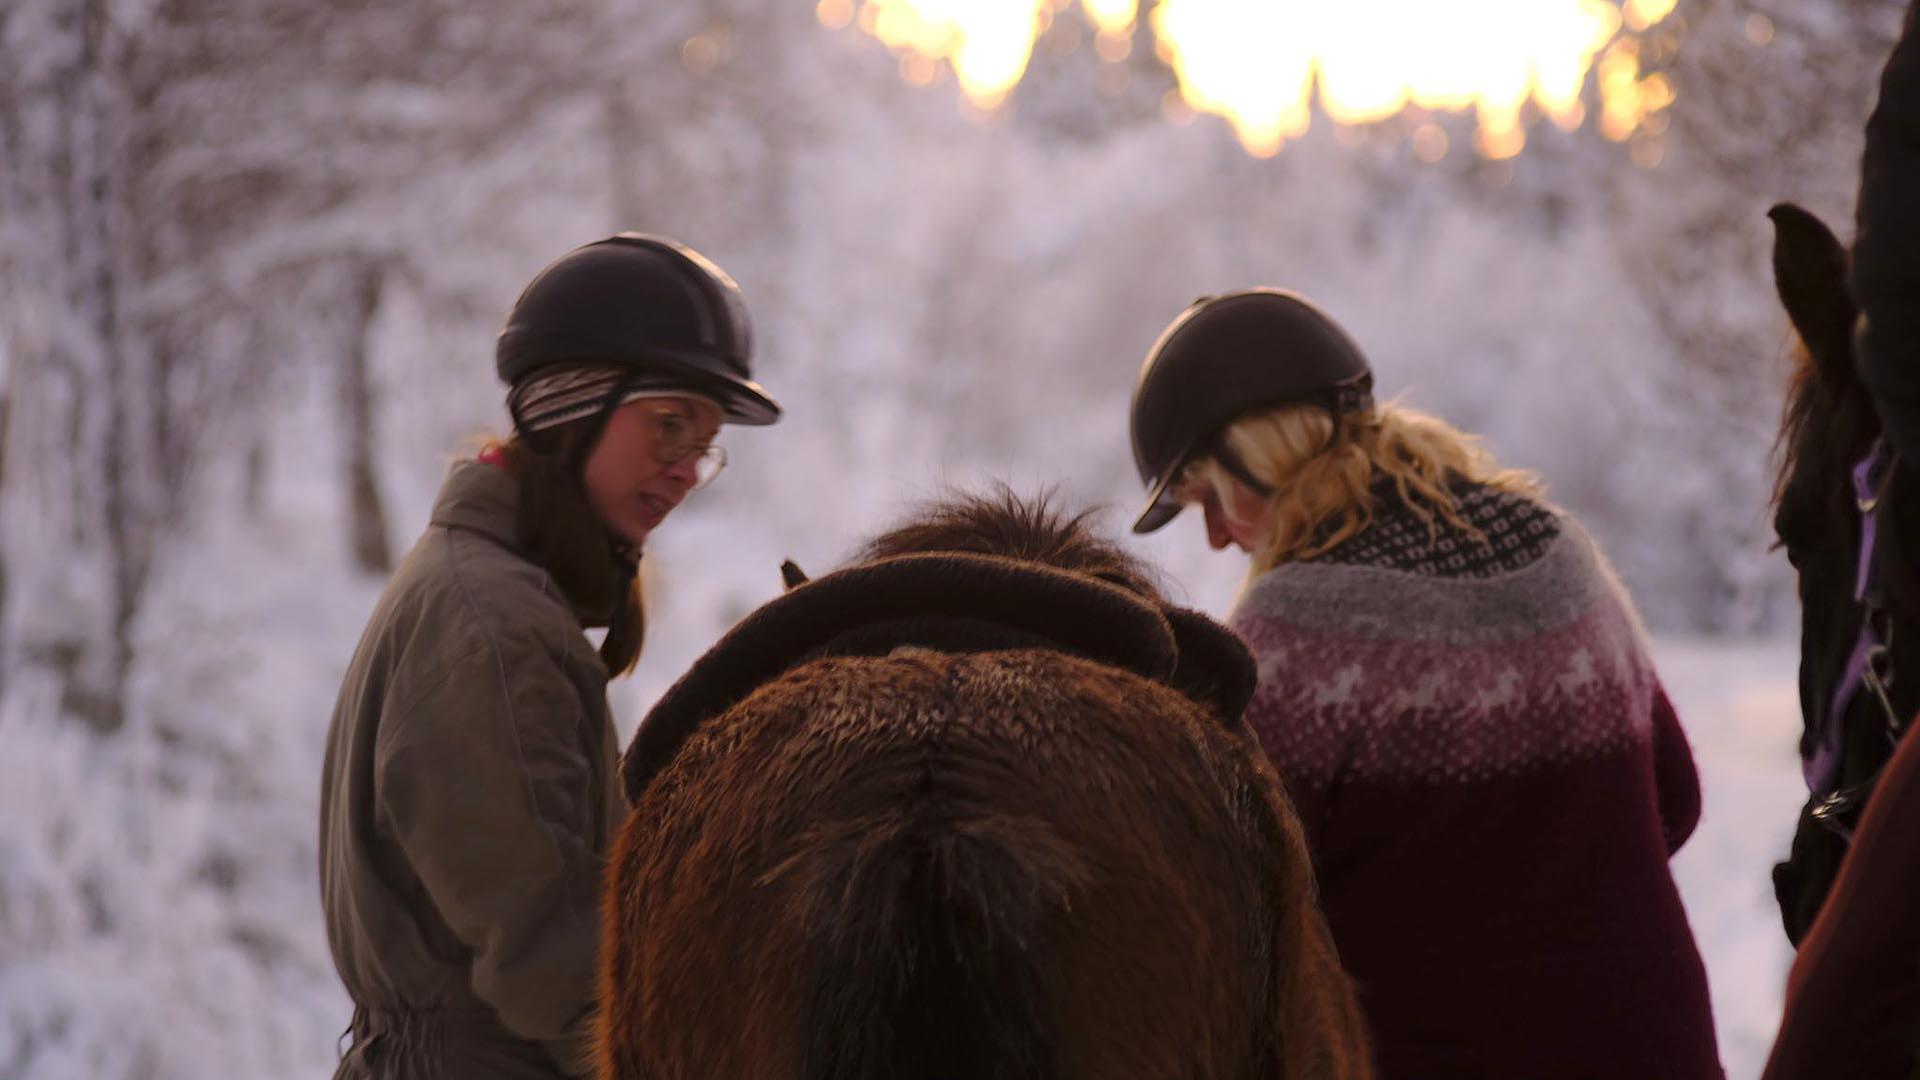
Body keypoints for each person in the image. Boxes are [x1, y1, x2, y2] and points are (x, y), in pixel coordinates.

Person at [1127, 289, 1721, 1079]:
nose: (1215, 536)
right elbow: (1674, 798)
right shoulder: (1556, 550)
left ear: (1260, 454)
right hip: (1659, 1051)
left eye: (1209, 497)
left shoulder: (1296, 635)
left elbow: (1225, 927)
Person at [318, 233, 782, 1079]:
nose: (685, 470)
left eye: (704, 444)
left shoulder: (489, 591)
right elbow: (558, 968)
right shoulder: (495, 632)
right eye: (668, 425)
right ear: (571, 407)